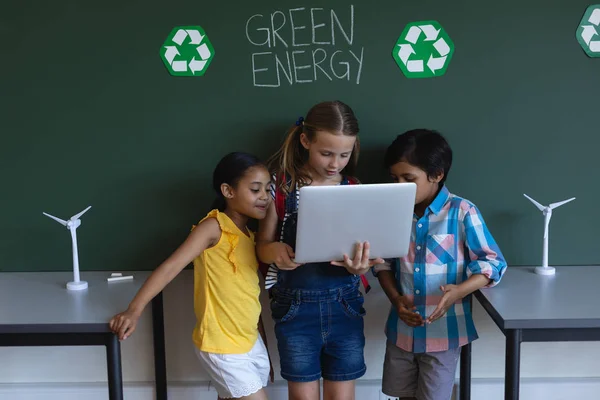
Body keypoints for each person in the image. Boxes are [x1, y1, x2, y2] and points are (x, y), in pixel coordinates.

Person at [109, 152, 273, 400]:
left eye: (268, 189)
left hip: (249, 342)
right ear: (228, 191)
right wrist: (134, 309)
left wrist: (263, 345)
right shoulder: (213, 227)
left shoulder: (249, 237)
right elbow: (170, 267)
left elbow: (249, 296)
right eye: (255, 189)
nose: (264, 197)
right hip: (222, 345)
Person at [256, 100, 383, 400]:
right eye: (326, 153)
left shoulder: (355, 188)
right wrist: (273, 251)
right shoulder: (281, 187)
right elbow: (261, 247)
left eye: (344, 154)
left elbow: (364, 250)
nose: (334, 163)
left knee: (342, 394)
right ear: (305, 141)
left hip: (345, 306)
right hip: (295, 309)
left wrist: (360, 266)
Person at [374, 129, 508, 400]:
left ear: (437, 175)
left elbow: (493, 263)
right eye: (395, 178)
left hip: (444, 335)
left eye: (409, 179)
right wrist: (396, 299)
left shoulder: (462, 212)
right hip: (401, 332)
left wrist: (459, 291)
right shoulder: (392, 211)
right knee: (402, 394)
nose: (400, 185)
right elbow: (383, 264)